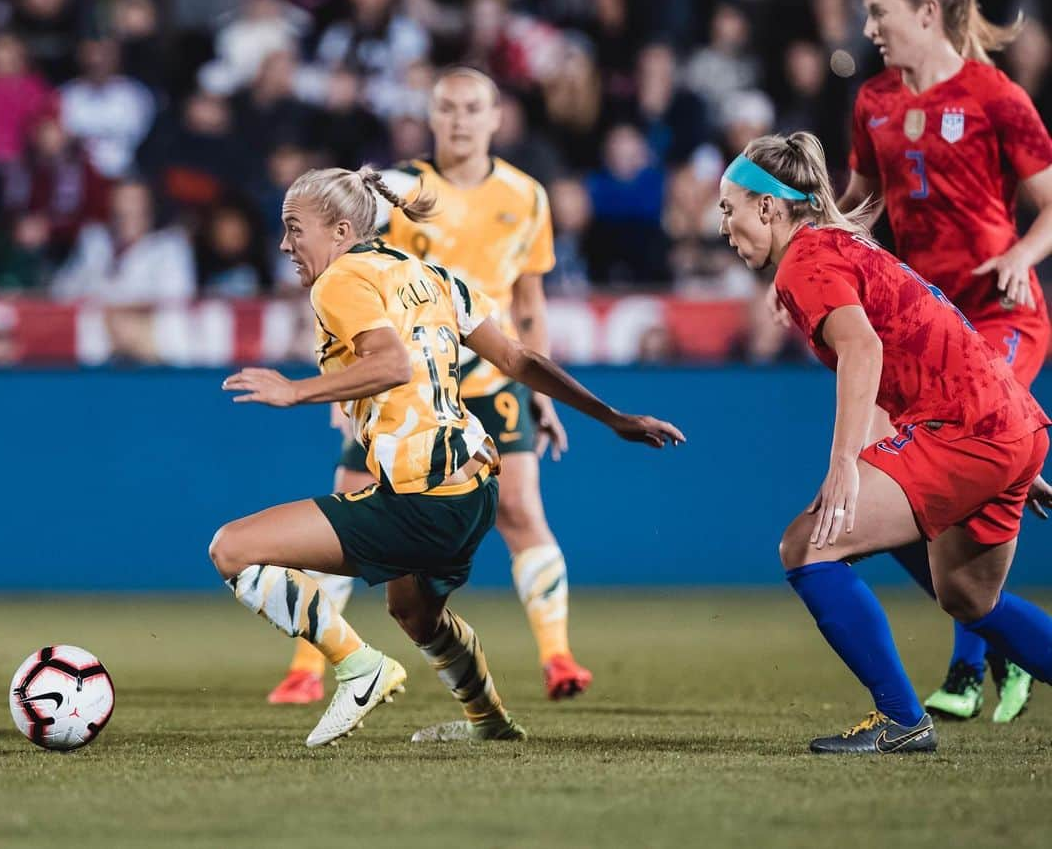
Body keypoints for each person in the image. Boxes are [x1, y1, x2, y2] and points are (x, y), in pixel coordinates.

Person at [211, 165, 682, 746]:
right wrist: (613, 417)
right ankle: (490, 721)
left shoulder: (338, 282)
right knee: (415, 613)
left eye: (293, 228)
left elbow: (390, 363)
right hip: (475, 486)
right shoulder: (431, 276)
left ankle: (358, 668)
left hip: (421, 498)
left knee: (232, 549)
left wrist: (296, 391)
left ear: (338, 230)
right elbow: (518, 360)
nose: (284, 243)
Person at [268, 68, 598, 705]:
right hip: (404, 377)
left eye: (473, 108)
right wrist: (342, 388)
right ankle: (307, 664)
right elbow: (348, 276)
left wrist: (544, 394)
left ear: (497, 116)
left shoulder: (527, 195)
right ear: (430, 115)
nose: (460, 120)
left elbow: (529, 303)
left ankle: (558, 658)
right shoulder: (395, 189)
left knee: (523, 512)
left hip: (489, 372)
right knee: (351, 498)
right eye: (447, 108)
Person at [720, 131, 1052, 754]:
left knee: (806, 547)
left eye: (728, 207)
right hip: (1006, 425)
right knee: (968, 594)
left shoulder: (807, 262)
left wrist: (845, 460)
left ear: (767, 207)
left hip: (973, 430)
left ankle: (903, 720)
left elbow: (863, 349)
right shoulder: (840, 244)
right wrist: (1009, 451)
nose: (724, 225)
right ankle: (910, 716)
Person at [837, 0, 1052, 723]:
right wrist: (810, 253)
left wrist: (1021, 254)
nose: (869, 28)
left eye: (879, 12)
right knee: (880, 489)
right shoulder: (873, 102)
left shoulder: (996, 94)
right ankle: (998, 642)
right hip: (928, 330)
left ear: (927, 13)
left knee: (953, 465)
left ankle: (967, 668)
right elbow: (860, 206)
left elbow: (1050, 201)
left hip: (1001, 316)